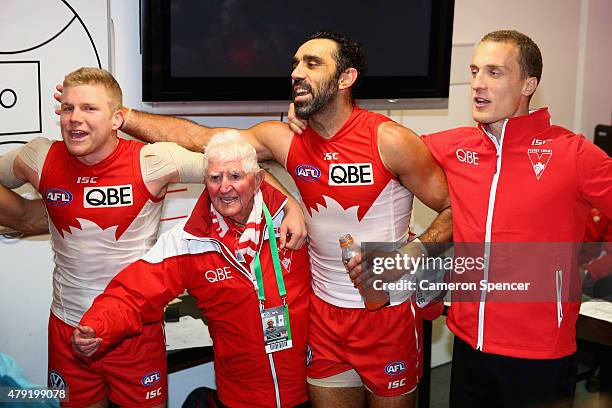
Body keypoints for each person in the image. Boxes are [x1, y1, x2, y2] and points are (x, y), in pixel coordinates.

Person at [101, 31, 452, 407]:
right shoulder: (284, 138)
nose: (297, 72)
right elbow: (203, 139)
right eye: (295, 64)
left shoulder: (390, 140)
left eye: (312, 64)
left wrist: (412, 252)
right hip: (324, 317)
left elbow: (453, 210)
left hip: (388, 315)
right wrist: (123, 117)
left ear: (346, 78)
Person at [0, 67, 305, 408]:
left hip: (136, 332)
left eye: (89, 108)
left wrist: (289, 203)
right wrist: (26, 216)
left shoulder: (152, 160)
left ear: (117, 119)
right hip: (68, 328)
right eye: (68, 108)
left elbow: (236, 168)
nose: (74, 118)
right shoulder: (40, 157)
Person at [339, 30, 611, 408]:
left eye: (495, 72)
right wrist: (316, 122)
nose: (479, 85)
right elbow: (377, 148)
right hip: (468, 343)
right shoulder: (455, 145)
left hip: (540, 354)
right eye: (475, 71)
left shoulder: (573, 153)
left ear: (529, 84)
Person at [72, 132, 312, 408]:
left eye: (235, 176)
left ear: (257, 180)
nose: (224, 187)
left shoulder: (291, 220)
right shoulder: (188, 240)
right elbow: (133, 292)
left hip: (306, 386)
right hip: (239, 396)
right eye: (215, 178)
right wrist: (97, 326)